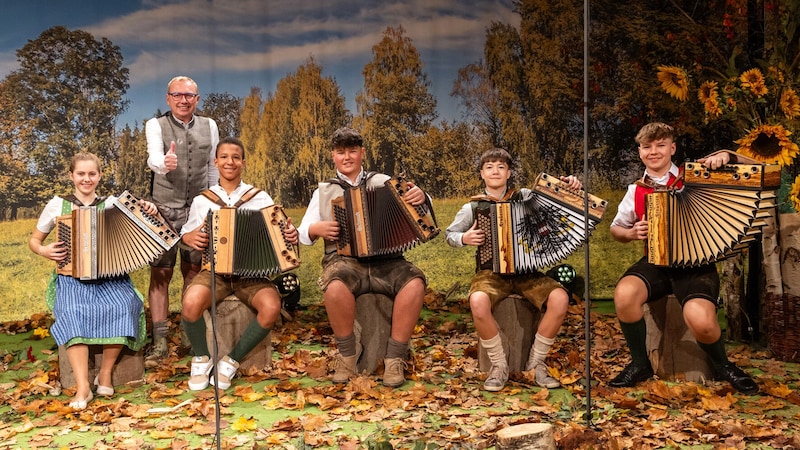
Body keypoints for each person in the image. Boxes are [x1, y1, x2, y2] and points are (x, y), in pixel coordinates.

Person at [608, 122, 758, 394]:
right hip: (656, 262)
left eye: (660, 145)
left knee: (699, 319)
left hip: (696, 265)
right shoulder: (636, 190)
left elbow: (760, 169)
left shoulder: (698, 176)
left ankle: (724, 365)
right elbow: (615, 229)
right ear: (640, 151)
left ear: (672, 148)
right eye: (647, 146)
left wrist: (729, 156)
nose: (653, 151)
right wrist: (629, 233)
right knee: (624, 295)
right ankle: (640, 363)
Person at [296, 127, 427, 388]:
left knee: (415, 283)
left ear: (362, 153)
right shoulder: (323, 192)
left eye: (352, 151)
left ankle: (394, 358)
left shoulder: (382, 182)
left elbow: (419, 200)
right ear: (333, 156)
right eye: (340, 152)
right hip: (344, 263)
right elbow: (302, 233)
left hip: (387, 262)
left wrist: (421, 195)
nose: (347, 157)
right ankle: (347, 355)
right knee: (334, 288)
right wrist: (316, 229)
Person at [445, 148, 581, 392]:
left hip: (527, 272)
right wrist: (464, 237)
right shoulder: (473, 206)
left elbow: (552, 198)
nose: (495, 171)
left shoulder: (525, 196)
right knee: (477, 301)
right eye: (489, 167)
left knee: (560, 298)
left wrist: (568, 184)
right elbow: (449, 235)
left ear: (508, 173)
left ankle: (536, 363)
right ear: (482, 174)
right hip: (491, 273)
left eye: (500, 167)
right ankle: (499, 365)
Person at [29, 152, 151, 410]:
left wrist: (147, 207)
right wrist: (44, 250)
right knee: (72, 310)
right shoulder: (57, 205)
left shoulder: (111, 204)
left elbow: (143, 217)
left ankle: (105, 373)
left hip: (111, 276)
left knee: (124, 303)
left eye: (92, 174)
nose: (87, 179)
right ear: (71, 175)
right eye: (81, 174)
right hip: (71, 277)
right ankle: (84, 387)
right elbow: (34, 241)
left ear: (99, 176)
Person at [179, 137, 298, 391]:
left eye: (235, 157)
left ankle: (230, 361)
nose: (229, 162)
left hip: (251, 275)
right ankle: (202, 358)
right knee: (190, 303)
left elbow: (281, 232)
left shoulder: (260, 197)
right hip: (215, 272)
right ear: (216, 162)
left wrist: (290, 235)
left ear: (243, 162)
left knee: (272, 306)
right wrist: (192, 237)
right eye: (224, 157)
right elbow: (186, 235)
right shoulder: (203, 200)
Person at [144, 75, 220, 366]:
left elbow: (213, 168)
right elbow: (153, 159)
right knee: (161, 274)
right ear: (168, 98)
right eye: (178, 95)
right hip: (163, 210)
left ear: (197, 100)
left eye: (189, 95)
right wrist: (165, 163)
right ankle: (160, 340)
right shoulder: (155, 125)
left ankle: (190, 332)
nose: (184, 99)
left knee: (193, 270)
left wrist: (213, 199)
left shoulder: (209, 125)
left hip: (197, 210)